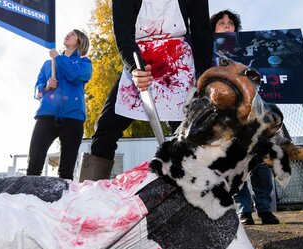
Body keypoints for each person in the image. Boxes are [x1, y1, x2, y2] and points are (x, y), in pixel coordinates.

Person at [78, 0, 213, 182]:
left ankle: (193, 197)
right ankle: (89, 195)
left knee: (187, 134)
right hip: (139, 57)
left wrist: (202, 77)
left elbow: (201, 32)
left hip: (177, 62)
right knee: (105, 129)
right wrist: (135, 67)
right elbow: (123, 31)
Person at [211, 9, 280, 225]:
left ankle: (265, 208)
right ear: (213, 29)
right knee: (236, 160)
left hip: (254, 113)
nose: (227, 25)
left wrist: (301, 70)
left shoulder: (249, 52)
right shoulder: (206, 53)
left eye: (230, 23)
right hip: (226, 116)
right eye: (221, 22)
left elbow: (270, 71)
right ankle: (243, 210)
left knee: (259, 158)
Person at [26, 29, 92, 180]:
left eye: (73, 34)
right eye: (67, 33)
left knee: (66, 172)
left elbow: (74, 76)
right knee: (34, 165)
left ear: (80, 41)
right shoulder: (48, 65)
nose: (68, 35)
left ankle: (64, 202)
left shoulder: (84, 63)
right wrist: (46, 86)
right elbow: (38, 92)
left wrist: (59, 58)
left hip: (73, 119)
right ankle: (29, 200)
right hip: (46, 117)